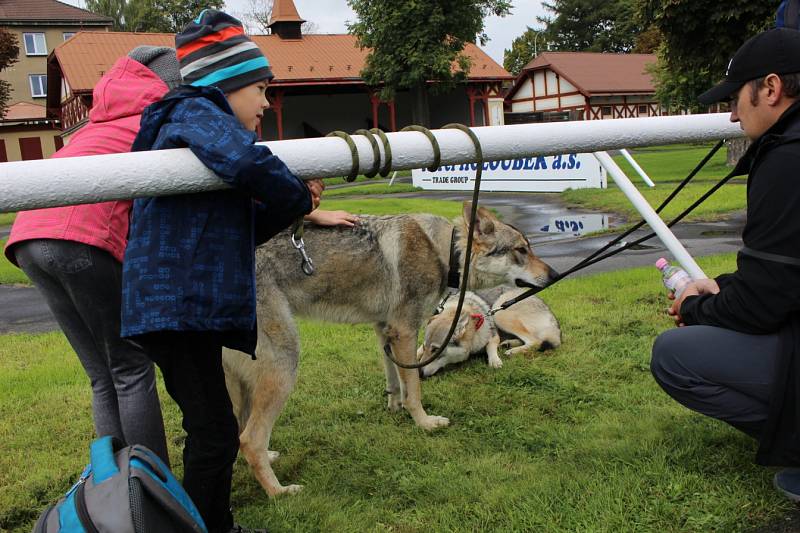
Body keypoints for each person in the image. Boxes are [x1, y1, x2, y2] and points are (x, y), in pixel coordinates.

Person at [119, 10, 324, 533]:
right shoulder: (194, 111)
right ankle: (206, 527)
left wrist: (293, 207)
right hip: (176, 309)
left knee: (209, 425)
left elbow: (244, 228)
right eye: (258, 88)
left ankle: (208, 522)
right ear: (224, 85)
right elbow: (251, 164)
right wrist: (295, 189)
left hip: (184, 309)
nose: (265, 103)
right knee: (212, 430)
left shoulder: (201, 137)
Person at [3, 46, 182, 465]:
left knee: (102, 377)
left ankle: (117, 487)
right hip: (79, 237)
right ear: (173, 85)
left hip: (28, 234)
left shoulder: (96, 123)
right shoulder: (159, 120)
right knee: (131, 368)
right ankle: (155, 497)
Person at [650, 28, 800, 502]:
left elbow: (764, 303)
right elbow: (783, 275)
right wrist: (723, 288)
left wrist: (695, 308)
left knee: (673, 356)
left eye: (737, 99)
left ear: (771, 89)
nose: (733, 116)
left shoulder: (786, 158)